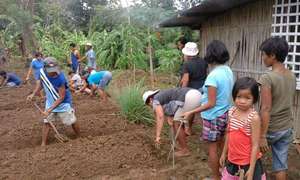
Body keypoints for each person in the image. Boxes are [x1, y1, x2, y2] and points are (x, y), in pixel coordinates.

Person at [183, 40, 234, 180]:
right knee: (223, 146)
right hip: (226, 113)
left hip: (213, 116)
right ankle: (226, 174)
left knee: (212, 149)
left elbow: (211, 103)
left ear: (210, 55)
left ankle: (215, 177)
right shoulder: (228, 70)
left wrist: (191, 112)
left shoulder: (213, 76)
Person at [258, 37, 296, 180]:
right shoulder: (291, 76)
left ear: (272, 55)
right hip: (286, 127)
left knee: (250, 155)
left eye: (263, 54)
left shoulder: (267, 78)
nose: (262, 58)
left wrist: (262, 136)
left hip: (271, 129)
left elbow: (266, 108)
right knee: (280, 165)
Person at [27, 57, 80, 146]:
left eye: (54, 70)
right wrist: (33, 94)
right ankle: (43, 144)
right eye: (50, 70)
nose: (53, 72)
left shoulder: (61, 78)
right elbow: (41, 84)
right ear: (45, 68)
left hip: (63, 103)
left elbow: (61, 97)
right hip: (50, 101)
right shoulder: (42, 72)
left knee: (71, 121)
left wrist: (49, 110)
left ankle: (80, 137)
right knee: (47, 122)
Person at [220, 77, 266, 180]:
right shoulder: (231, 111)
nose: (242, 101)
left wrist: (251, 169)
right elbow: (229, 134)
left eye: (247, 98)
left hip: (248, 162)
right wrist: (224, 153)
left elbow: (255, 145)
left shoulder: (254, 118)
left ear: (254, 99)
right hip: (233, 160)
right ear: (234, 96)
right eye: (239, 96)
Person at [143, 87, 202, 157]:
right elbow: (173, 106)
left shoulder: (155, 100)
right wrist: (170, 116)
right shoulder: (163, 94)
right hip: (197, 94)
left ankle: (184, 150)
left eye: (149, 105)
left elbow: (160, 116)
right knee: (176, 121)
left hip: (189, 98)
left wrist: (158, 136)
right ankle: (181, 145)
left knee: (176, 123)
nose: (151, 107)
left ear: (150, 100)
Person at [179, 42, 208, 135]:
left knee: (188, 109)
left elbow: (185, 80)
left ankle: (186, 129)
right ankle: (191, 128)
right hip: (203, 88)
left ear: (187, 53)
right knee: (196, 110)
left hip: (192, 90)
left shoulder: (187, 64)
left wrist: (182, 92)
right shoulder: (203, 61)